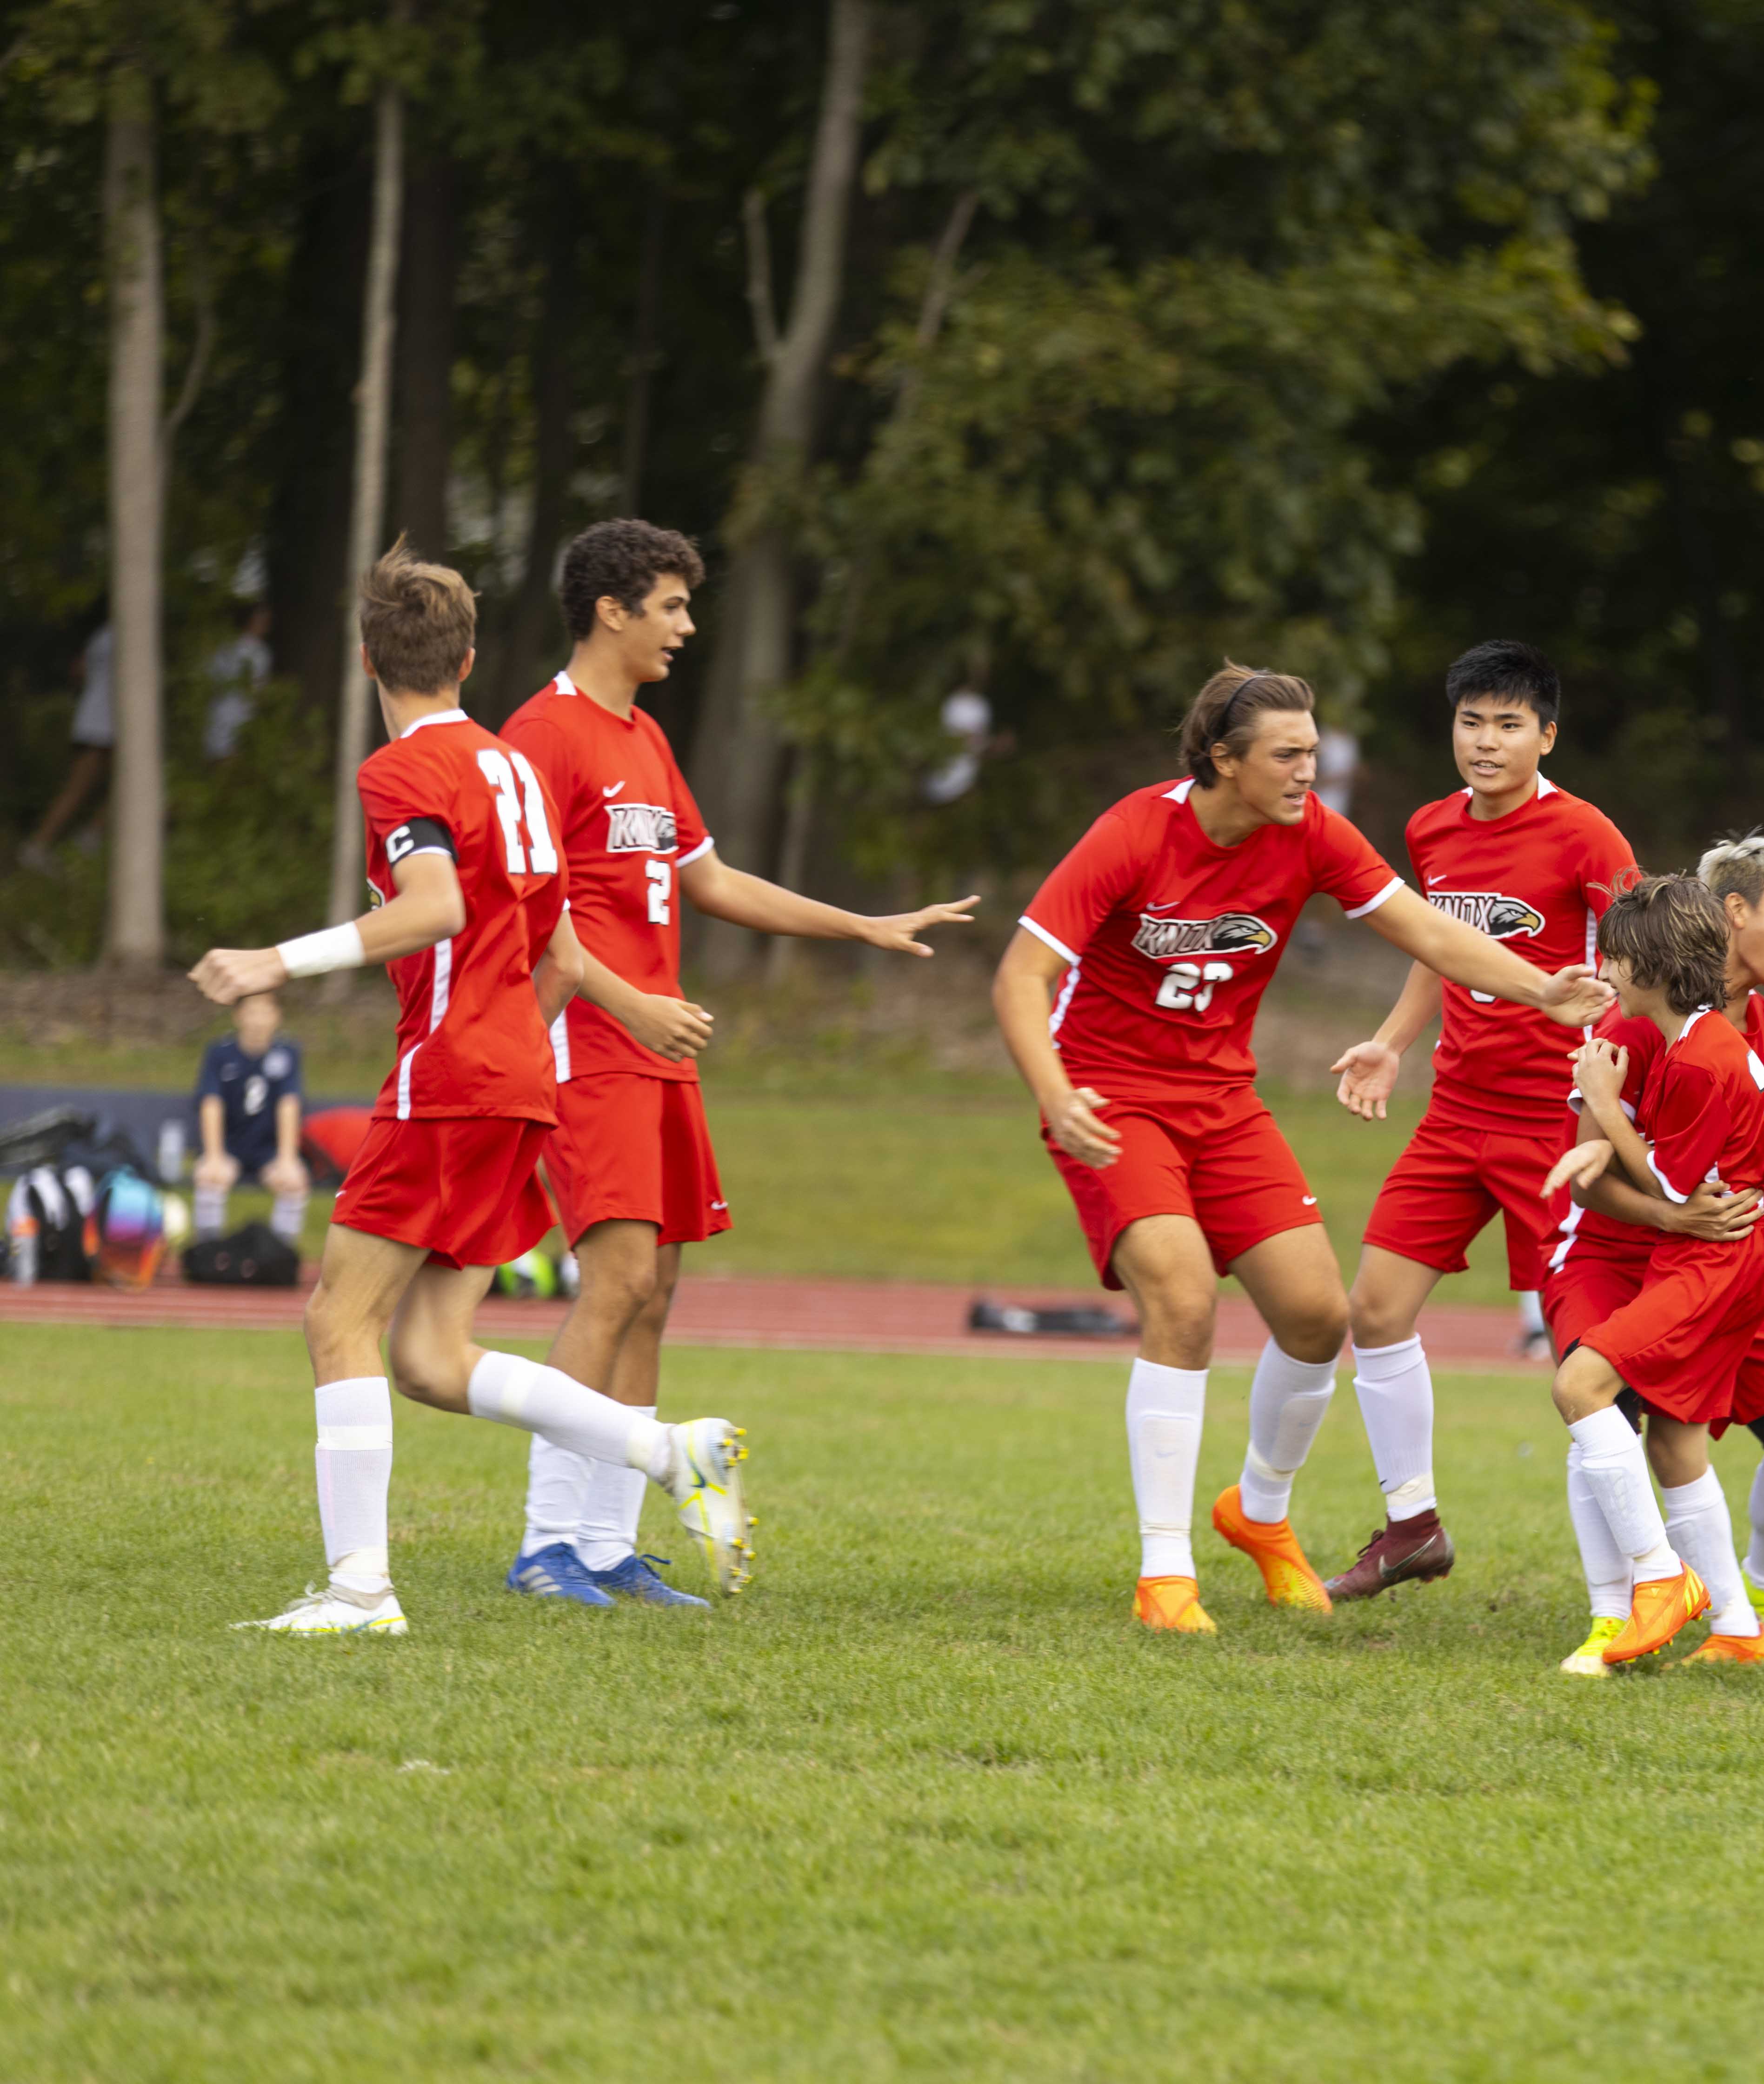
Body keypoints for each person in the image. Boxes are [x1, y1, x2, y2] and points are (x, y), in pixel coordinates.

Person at [185, 541, 752, 1636]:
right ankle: (665, 1449)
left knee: (337, 1319)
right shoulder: (514, 768)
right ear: (472, 656)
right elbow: (557, 949)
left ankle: (361, 1594)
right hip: (522, 1081)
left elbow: (435, 905)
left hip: (449, 1079)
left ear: (365, 662)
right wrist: (513, 1050)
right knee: (431, 1362)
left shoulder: (399, 771)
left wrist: (275, 962)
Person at [990, 662, 1613, 1634]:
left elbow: (1429, 932)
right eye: (1287, 755)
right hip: (1112, 1099)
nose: (1307, 771)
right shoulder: (1133, 830)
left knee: (1320, 1317)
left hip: (1224, 1102)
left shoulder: (1312, 831)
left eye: (1313, 751)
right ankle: (1165, 1574)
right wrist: (1056, 1091)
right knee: (1184, 1297)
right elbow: (1021, 977)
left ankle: (1260, 1513)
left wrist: (1542, 989)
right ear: (1223, 760)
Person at [492, 519, 979, 1609]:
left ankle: (608, 1548)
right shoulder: (542, 735)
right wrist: (632, 1004)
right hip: (588, 1046)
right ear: (611, 610)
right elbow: (529, 918)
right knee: (612, 1279)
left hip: (655, 1049)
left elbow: (711, 880)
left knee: (655, 1290)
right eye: (669, 605)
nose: (686, 626)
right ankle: (545, 1543)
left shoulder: (646, 739)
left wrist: (863, 925)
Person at [1322, 640, 1635, 1600]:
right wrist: (1392, 1042)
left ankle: (1649, 1565)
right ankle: (1412, 1525)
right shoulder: (1431, 826)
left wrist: (1613, 1105)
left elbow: (1644, 961)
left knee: (1599, 1352)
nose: (1486, 741)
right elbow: (1439, 946)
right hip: (1456, 1113)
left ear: (1548, 734)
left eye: (1508, 724)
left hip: (1557, 1123)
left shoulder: (1588, 836)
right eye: (1471, 722)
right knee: (1372, 1308)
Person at [1539, 835, 1764, 1674]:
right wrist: (1598, 1143)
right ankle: (1731, 1628)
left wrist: (1611, 1115)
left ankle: (1664, 1583)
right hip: (1673, 1250)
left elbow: (1682, 1185)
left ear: (1651, 965)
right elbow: (1658, 1178)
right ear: (1727, 920)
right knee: (1669, 1429)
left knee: (1584, 1387)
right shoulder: (1665, 1034)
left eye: (1615, 961)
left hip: (1720, 1256)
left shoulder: (1714, 1051)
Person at [193, 989, 308, 1242]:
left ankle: (281, 1252)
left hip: (268, 1150)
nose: (258, 1020)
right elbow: (211, 1103)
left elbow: (289, 1105)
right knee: (209, 1177)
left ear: (276, 1017)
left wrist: (287, 1158)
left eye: (265, 1012)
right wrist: (214, 1155)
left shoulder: (287, 1053)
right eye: (251, 1013)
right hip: (230, 1146)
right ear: (238, 1017)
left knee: (294, 1179)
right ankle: (208, 1249)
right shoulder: (220, 1053)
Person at [20, 623, 113, 869]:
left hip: (94, 717)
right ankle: (40, 846)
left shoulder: (98, 635)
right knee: (80, 788)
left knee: (127, 782)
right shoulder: (126, 632)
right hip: (105, 721)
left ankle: (90, 836)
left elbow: (78, 670)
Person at [204, 602, 274, 759]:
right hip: (227, 713)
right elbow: (212, 677)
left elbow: (261, 689)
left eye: (267, 621)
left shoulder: (262, 653)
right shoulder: (231, 647)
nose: (265, 625)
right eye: (261, 620)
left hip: (244, 718)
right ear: (251, 621)